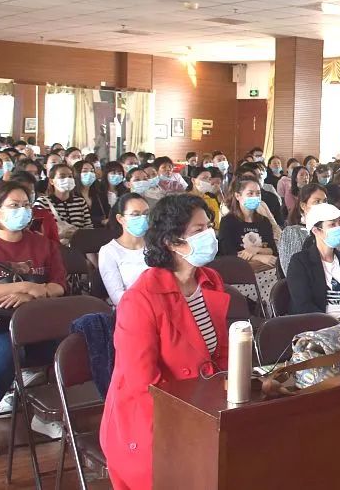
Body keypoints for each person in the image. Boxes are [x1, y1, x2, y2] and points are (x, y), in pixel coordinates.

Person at [101, 194, 228, 489]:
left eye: (209, 227)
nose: (210, 236)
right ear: (172, 242)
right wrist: (196, 419)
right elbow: (143, 383)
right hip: (153, 421)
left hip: (203, 409)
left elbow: (219, 353)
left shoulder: (210, 280)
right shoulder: (140, 299)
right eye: (199, 230)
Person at [0, 181, 67, 460]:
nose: (22, 210)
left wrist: (34, 293)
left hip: (36, 319)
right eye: (14, 206)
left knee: (66, 346)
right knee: (6, 351)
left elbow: (59, 286)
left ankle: (43, 413)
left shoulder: (43, 245)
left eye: (26, 205)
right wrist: (25, 286)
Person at [286, 204, 340, 341]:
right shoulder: (300, 262)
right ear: (316, 231)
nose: (339, 228)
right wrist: (335, 326)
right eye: (332, 224)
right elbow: (303, 305)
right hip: (319, 330)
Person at [219, 177, 279, 301]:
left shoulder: (264, 221)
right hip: (240, 275)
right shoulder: (228, 221)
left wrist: (255, 250)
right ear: (238, 196)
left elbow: (272, 250)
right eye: (250, 193)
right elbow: (230, 253)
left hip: (266, 271)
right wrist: (259, 257)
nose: (255, 197)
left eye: (258, 193)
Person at [98, 193, 149, 306]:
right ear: (120, 219)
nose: (143, 219)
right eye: (135, 215)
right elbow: (118, 298)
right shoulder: (109, 252)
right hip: (132, 308)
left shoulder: (156, 245)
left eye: (146, 214)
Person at [33, 163, 92, 243]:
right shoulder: (42, 203)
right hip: (53, 247)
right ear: (51, 181)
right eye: (62, 176)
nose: (67, 179)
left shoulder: (80, 202)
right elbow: (36, 233)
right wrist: (60, 235)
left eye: (70, 176)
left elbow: (88, 228)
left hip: (78, 247)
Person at [278, 183, 328, 274]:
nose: (323, 205)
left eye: (325, 201)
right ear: (303, 206)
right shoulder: (292, 233)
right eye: (317, 202)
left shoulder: (329, 228)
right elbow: (291, 271)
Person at [73, 160, 110, 227]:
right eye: (85, 171)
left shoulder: (99, 194)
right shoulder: (72, 195)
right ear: (76, 174)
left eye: (92, 171)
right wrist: (100, 221)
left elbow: (108, 212)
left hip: (100, 231)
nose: (89, 174)